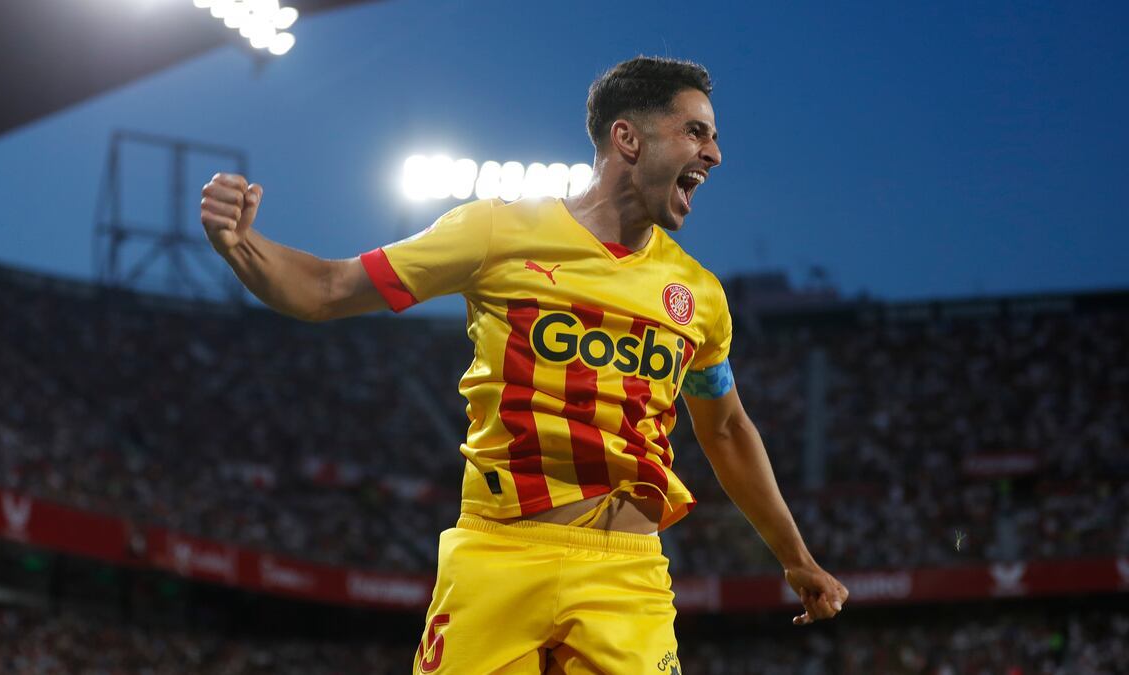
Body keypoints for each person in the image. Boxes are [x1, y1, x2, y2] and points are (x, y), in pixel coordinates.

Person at [200, 56, 847, 674]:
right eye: (696, 132)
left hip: (626, 572)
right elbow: (328, 289)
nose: (715, 154)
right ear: (628, 138)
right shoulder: (494, 232)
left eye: (714, 137)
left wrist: (797, 557)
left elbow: (726, 428)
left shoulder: (700, 297)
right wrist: (241, 244)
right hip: (498, 553)